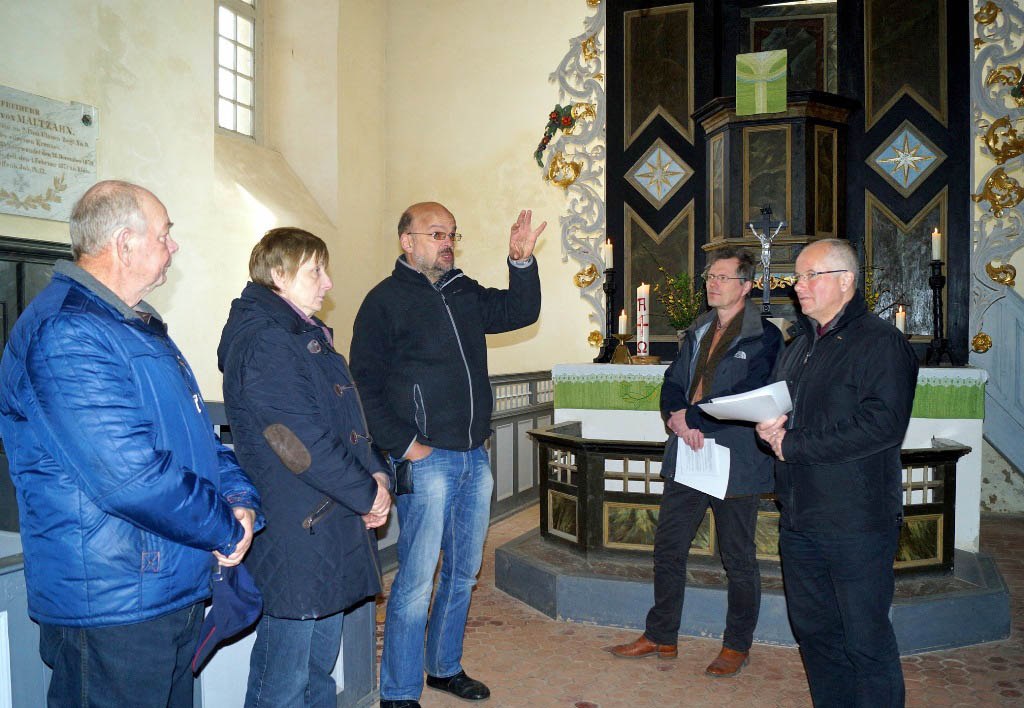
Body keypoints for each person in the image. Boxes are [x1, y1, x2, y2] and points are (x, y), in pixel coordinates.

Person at [0, 180, 262, 707]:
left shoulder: (133, 327)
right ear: (124, 244)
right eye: (165, 234)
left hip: (164, 585)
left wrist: (239, 498)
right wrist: (222, 527)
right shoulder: (66, 333)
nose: (174, 245)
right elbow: (131, 478)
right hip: (112, 603)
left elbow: (196, 443)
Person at [350, 202, 545, 708]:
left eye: (452, 233)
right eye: (435, 233)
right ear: (407, 241)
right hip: (426, 460)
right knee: (415, 580)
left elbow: (519, 312)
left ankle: (444, 666)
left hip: (473, 458)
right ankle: (397, 690)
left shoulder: (463, 292)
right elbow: (362, 386)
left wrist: (520, 262)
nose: (447, 241)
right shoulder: (384, 301)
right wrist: (405, 444)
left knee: (463, 572)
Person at [217, 227, 394, 707]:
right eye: (315, 270)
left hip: (324, 520)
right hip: (298, 529)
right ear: (278, 275)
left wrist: (378, 473)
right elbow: (298, 444)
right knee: (284, 678)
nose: (328, 282)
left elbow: (346, 425)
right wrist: (366, 494)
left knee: (317, 671)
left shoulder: (301, 333)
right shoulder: (266, 342)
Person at [756, 239, 917, 707]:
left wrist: (795, 444)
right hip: (801, 517)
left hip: (856, 520)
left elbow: (883, 425)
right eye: (797, 277)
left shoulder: (881, 343)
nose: (797, 286)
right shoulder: (800, 343)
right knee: (815, 634)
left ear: (845, 282)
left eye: (810, 276)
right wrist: (767, 430)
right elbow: (785, 412)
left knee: (865, 640)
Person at [610, 247, 782, 676]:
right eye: (710, 276)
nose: (713, 283)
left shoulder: (766, 336)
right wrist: (677, 418)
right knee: (668, 548)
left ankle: (736, 645)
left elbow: (752, 392)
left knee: (737, 558)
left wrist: (696, 416)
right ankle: (661, 635)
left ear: (745, 286)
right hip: (688, 452)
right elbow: (672, 381)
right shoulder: (699, 327)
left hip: (735, 458)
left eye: (723, 277)